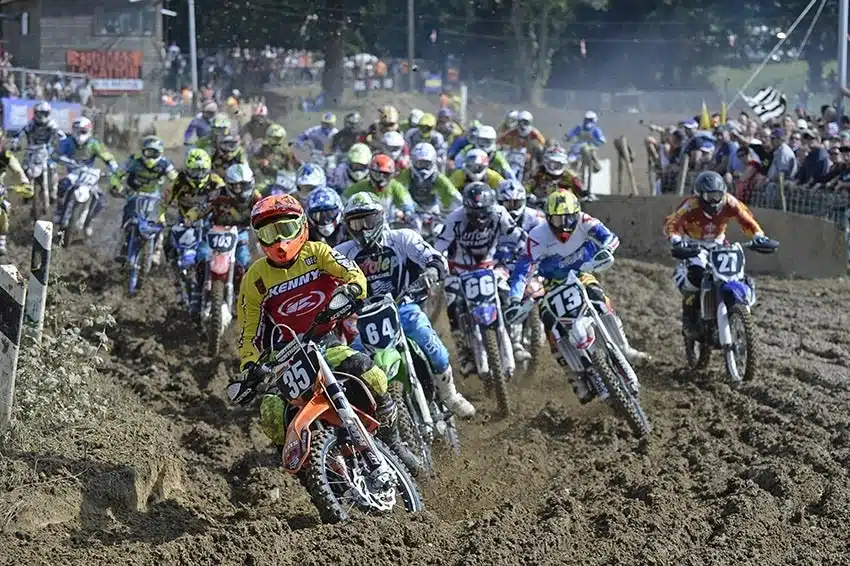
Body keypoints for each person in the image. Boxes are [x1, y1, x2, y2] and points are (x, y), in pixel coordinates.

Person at [229, 194, 420, 471]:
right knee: (271, 415)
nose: (279, 240)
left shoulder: (318, 253)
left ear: (302, 226)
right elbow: (248, 330)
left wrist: (352, 290)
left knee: (372, 375)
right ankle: (305, 473)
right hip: (283, 357)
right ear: (259, 237)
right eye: (269, 233)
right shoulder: (254, 278)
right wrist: (250, 366)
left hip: (322, 341)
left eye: (286, 229)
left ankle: (394, 441)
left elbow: (353, 273)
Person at [335, 193, 475, 417]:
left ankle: (450, 395)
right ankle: (373, 421)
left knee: (432, 345)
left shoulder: (402, 238)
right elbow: (325, 282)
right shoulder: (342, 253)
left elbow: (435, 257)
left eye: (368, 221)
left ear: (380, 218)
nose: (363, 229)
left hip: (403, 306)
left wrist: (431, 270)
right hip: (366, 319)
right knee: (355, 370)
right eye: (356, 224)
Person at [505, 189, 647, 403]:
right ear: (548, 218)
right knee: (550, 323)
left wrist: (606, 250)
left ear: (577, 213)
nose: (564, 225)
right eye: (558, 219)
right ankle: (574, 376)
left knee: (600, 299)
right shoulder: (536, 236)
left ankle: (624, 347)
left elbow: (609, 237)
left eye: (569, 218)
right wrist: (515, 299)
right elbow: (522, 271)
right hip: (552, 285)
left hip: (582, 274)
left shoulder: (585, 221)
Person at [663, 171, 771, 338]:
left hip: (719, 243)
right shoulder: (690, 205)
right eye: (709, 196)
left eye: (717, 195)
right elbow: (673, 222)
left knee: (735, 274)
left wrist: (758, 235)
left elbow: (746, 218)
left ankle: (738, 306)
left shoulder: (729, 201)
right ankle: (690, 316)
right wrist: (676, 239)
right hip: (694, 244)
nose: (714, 200)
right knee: (697, 275)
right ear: (700, 195)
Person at [434, 182, 525, 375]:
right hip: (459, 271)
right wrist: (434, 265)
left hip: (489, 267)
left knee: (508, 295)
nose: (481, 217)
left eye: (484, 212)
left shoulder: (500, 213)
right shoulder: (454, 218)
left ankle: (516, 339)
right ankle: (463, 351)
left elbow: (518, 236)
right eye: (475, 212)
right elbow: (438, 246)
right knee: (453, 304)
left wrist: (525, 253)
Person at [160, 148, 225, 316]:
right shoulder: (179, 181)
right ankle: (176, 279)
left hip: (210, 223)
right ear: (188, 169)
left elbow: (226, 197)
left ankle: (220, 291)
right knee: (169, 245)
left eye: (202, 171)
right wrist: (160, 216)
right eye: (195, 171)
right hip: (185, 222)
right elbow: (165, 200)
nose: (198, 175)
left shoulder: (216, 181)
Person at [111, 135, 178, 262]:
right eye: (148, 152)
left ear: (160, 153)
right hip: (135, 194)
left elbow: (176, 180)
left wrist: (175, 193)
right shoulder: (134, 160)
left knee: (160, 222)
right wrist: (117, 186)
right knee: (129, 217)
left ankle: (156, 250)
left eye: (154, 153)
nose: (151, 156)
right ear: (143, 151)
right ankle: (123, 245)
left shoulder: (165, 164)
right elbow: (117, 174)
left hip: (154, 196)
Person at [195, 163, 262, 290]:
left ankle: (243, 290)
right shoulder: (218, 194)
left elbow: (264, 209)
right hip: (215, 231)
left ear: (249, 183)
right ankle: (197, 288)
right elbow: (202, 207)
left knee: (243, 258)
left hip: (241, 231)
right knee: (201, 254)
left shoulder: (255, 196)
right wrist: (190, 217)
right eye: (235, 186)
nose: (238, 189)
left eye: (241, 185)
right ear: (228, 184)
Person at [54, 116, 119, 235]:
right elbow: (56, 153)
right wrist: (60, 158)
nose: (80, 135)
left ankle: (89, 222)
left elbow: (107, 156)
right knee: (62, 185)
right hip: (73, 173)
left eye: (83, 131)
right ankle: (59, 209)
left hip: (89, 174)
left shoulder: (94, 144)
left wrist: (113, 166)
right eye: (77, 131)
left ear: (89, 131)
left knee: (101, 199)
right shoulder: (68, 142)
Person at [10, 100, 66, 202]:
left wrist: (63, 143)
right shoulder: (31, 124)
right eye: (40, 113)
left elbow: (60, 134)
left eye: (44, 113)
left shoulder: (51, 124)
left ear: (48, 113)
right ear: (35, 113)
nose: (42, 116)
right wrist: (15, 142)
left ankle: (53, 193)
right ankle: (27, 192)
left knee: (52, 168)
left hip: (47, 150)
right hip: (32, 150)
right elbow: (20, 133)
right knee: (25, 168)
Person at [343, 154, 415, 220]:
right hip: (365, 224)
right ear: (371, 172)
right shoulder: (361, 186)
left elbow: (407, 202)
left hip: (389, 224)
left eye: (385, 175)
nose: (381, 179)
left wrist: (407, 213)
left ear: (391, 175)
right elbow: (344, 199)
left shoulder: (395, 186)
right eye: (377, 175)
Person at [396, 142, 461, 213]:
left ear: (433, 161)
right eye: (420, 163)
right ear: (413, 161)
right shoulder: (406, 173)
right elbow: (396, 188)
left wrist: (462, 204)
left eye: (426, 163)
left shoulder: (437, 176)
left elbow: (452, 191)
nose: (423, 168)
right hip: (411, 207)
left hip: (432, 209)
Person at [0, 130, 33, 255]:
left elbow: (18, 171)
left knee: (4, 207)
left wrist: (25, 183)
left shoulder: (5, 155)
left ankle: (1, 238)